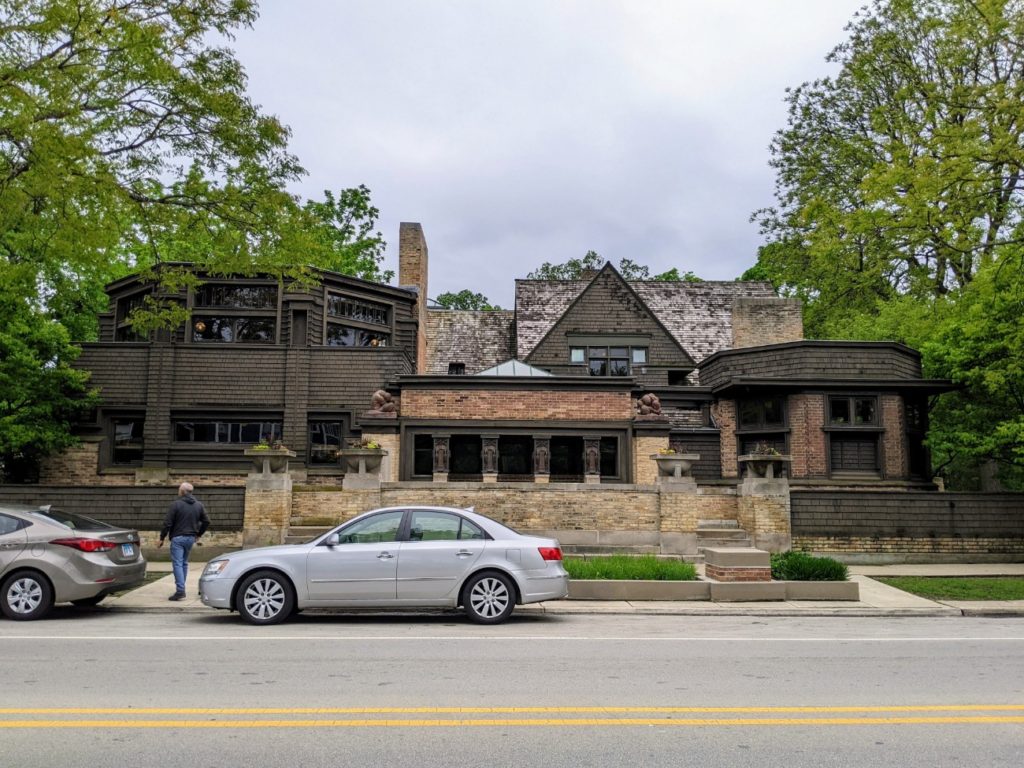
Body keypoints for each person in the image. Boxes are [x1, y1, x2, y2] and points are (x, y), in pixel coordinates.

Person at [158, 482, 210, 601]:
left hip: (178, 538)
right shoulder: (199, 505)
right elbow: (206, 521)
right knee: (184, 563)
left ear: (182, 491)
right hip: (190, 538)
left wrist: (162, 538)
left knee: (177, 563)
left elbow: (167, 523)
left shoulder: (176, 505)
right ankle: (181, 588)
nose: (178, 490)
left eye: (179, 489)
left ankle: (180, 590)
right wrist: (198, 534)